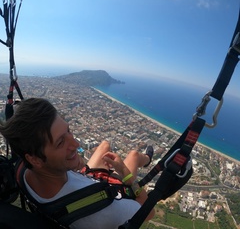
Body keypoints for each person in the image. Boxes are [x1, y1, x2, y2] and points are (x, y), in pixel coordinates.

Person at [0, 98, 154, 229]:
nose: (76, 143)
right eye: (61, 142)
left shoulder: (22, 169)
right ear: (35, 159)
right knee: (133, 156)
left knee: (105, 146)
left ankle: (145, 160)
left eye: (69, 131)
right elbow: (148, 212)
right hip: (90, 196)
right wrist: (126, 174)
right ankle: (146, 159)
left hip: (74, 189)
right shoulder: (102, 212)